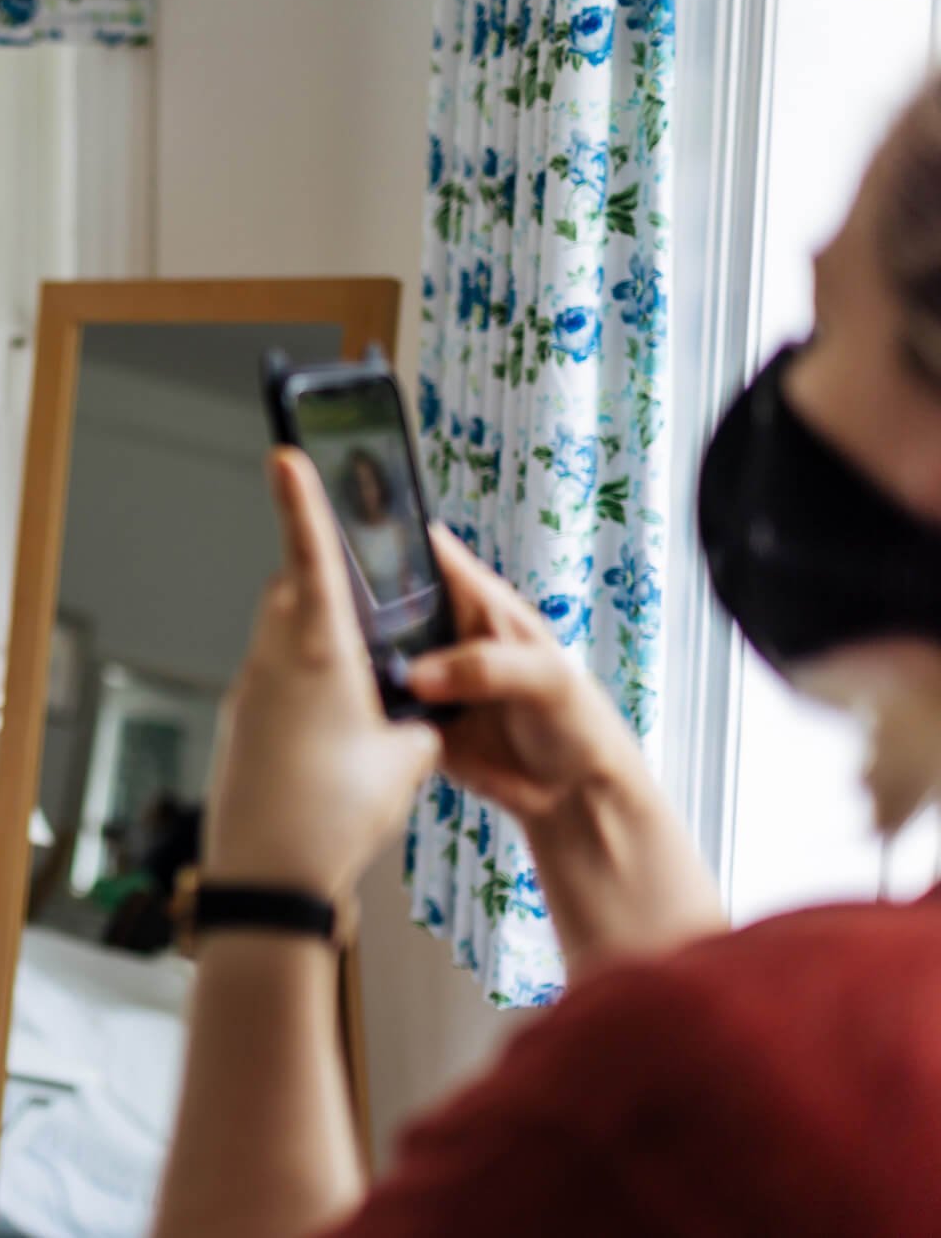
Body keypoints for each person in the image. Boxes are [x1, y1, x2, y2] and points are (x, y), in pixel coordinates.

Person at [149, 72, 941, 1237]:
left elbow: (731, 1093)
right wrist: (586, 800)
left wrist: (264, 888)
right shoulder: (805, 1058)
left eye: (825, 326)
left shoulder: (660, 1087)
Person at [338, 449, 415, 601]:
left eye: (368, 483)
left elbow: (406, 580)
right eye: (358, 485)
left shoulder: (397, 528)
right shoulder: (351, 536)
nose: (365, 493)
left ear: (379, 483)